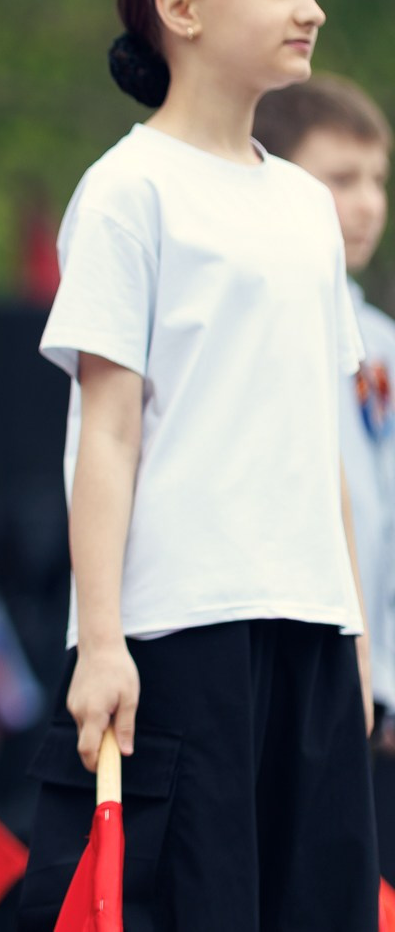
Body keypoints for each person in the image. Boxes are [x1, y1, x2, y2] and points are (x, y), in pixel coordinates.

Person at [19, 0, 376, 929]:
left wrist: (354, 634)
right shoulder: (128, 191)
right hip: (178, 628)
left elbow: (321, 441)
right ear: (178, 7)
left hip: (310, 626)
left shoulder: (305, 206)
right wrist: (99, 641)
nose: (309, 9)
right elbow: (105, 431)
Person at [253, 74, 395, 888]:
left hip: (372, 672)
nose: (369, 203)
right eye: (342, 179)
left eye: (378, 179)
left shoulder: (378, 343)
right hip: (296, 661)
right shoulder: (261, 318)